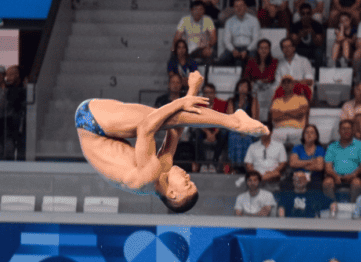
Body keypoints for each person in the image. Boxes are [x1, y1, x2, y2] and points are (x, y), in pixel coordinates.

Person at [76, 72, 268, 213]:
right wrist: (192, 90)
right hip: (101, 130)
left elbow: (146, 127)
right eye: (191, 181)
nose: (188, 176)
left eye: (187, 184)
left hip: (91, 122)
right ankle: (233, 121)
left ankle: (233, 122)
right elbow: (175, 133)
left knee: (159, 119)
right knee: (167, 121)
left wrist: (182, 102)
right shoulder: (161, 173)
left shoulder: (149, 176)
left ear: (173, 194)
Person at [323, 120, 361, 202]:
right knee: (327, 183)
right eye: (343, 128)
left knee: (357, 183)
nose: (346, 131)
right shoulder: (332, 146)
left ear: (353, 130)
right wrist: (335, 176)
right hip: (335, 176)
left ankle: (353, 207)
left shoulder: (360, 145)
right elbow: (328, 167)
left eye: (348, 128)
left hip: (355, 176)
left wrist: (353, 175)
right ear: (339, 131)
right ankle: (333, 205)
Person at [193, 82, 229, 172]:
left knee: (224, 133)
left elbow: (224, 121)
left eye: (210, 92)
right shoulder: (199, 104)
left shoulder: (222, 104)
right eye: (206, 92)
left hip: (217, 129)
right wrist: (207, 132)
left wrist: (214, 133)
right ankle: (203, 163)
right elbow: (197, 121)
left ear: (214, 93)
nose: (208, 95)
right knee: (196, 133)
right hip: (204, 129)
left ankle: (214, 163)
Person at [227, 79, 260, 169]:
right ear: (237, 88)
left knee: (247, 137)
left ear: (249, 89)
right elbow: (231, 119)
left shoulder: (253, 101)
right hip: (235, 128)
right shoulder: (232, 101)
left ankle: (247, 166)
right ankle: (235, 166)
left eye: (245, 86)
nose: (242, 89)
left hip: (249, 128)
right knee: (234, 137)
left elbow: (253, 119)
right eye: (240, 86)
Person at [243, 39, 278, 122]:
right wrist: (252, 82)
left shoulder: (274, 61)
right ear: (258, 50)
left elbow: (271, 77)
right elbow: (246, 76)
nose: (263, 50)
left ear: (269, 50)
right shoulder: (251, 61)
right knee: (251, 89)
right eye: (261, 48)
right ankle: (254, 118)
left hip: (268, 89)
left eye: (266, 48)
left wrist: (258, 81)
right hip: (255, 89)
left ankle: (267, 120)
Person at [173, 0, 216, 66]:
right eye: (196, 9)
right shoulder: (184, 20)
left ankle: (207, 74)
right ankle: (174, 74)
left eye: (201, 9)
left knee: (209, 52)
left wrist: (208, 46)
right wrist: (175, 49)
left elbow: (213, 37)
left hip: (201, 48)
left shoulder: (208, 20)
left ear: (204, 11)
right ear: (191, 10)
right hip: (187, 49)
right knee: (174, 51)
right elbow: (177, 37)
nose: (198, 12)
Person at [219, 0, 261, 67]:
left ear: (246, 7)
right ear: (234, 8)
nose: (239, 8)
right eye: (236, 6)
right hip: (234, 48)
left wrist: (247, 51)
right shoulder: (229, 21)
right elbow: (226, 40)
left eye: (241, 6)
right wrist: (233, 50)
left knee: (253, 60)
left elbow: (256, 39)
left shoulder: (254, 20)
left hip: (249, 48)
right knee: (222, 59)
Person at [245, 122, 288, 187]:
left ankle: (260, 181)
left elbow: (283, 163)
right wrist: (257, 174)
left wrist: (272, 172)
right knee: (253, 177)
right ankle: (261, 180)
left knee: (276, 174)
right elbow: (248, 165)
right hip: (256, 174)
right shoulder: (252, 146)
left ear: (271, 132)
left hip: (273, 174)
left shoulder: (279, 146)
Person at [270, 75, 308, 146]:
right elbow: (275, 117)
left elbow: (300, 114)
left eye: (289, 82)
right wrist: (293, 113)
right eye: (284, 83)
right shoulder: (277, 101)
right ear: (282, 85)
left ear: (293, 85)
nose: (286, 85)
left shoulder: (301, 99)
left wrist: (282, 113)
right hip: (279, 130)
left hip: (297, 129)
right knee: (273, 138)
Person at [289, 124, 325, 188]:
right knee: (298, 177)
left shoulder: (320, 149)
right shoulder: (297, 148)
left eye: (312, 133)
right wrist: (311, 161)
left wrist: (300, 164)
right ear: (303, 135)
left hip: (313, 176)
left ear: (316, 136)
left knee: (301, 177)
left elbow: (319, 167)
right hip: (297, 175)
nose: (309, 135)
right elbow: (293, 163)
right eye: (306, 132)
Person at [289, 3, 325, 68]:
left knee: (319, 52)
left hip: (313, 49)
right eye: (303, 13)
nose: (306, 15)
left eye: (308, 13)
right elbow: (293, 43)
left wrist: (313, 33)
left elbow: (320, 43)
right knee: (292, 51)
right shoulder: (295, 26)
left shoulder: (317, 25)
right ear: (300, 14)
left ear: (311, 14)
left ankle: (317, 74)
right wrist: (300, 35)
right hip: (300, 49)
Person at [5, 65, 27, 160]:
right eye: (7, 75)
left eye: (10, 75)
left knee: (21, 144)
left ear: (17, 75)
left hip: (19, 120)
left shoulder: (24, 88)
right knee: (9, 145)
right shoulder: (6, 88)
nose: (7, 78)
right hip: (9, 121)